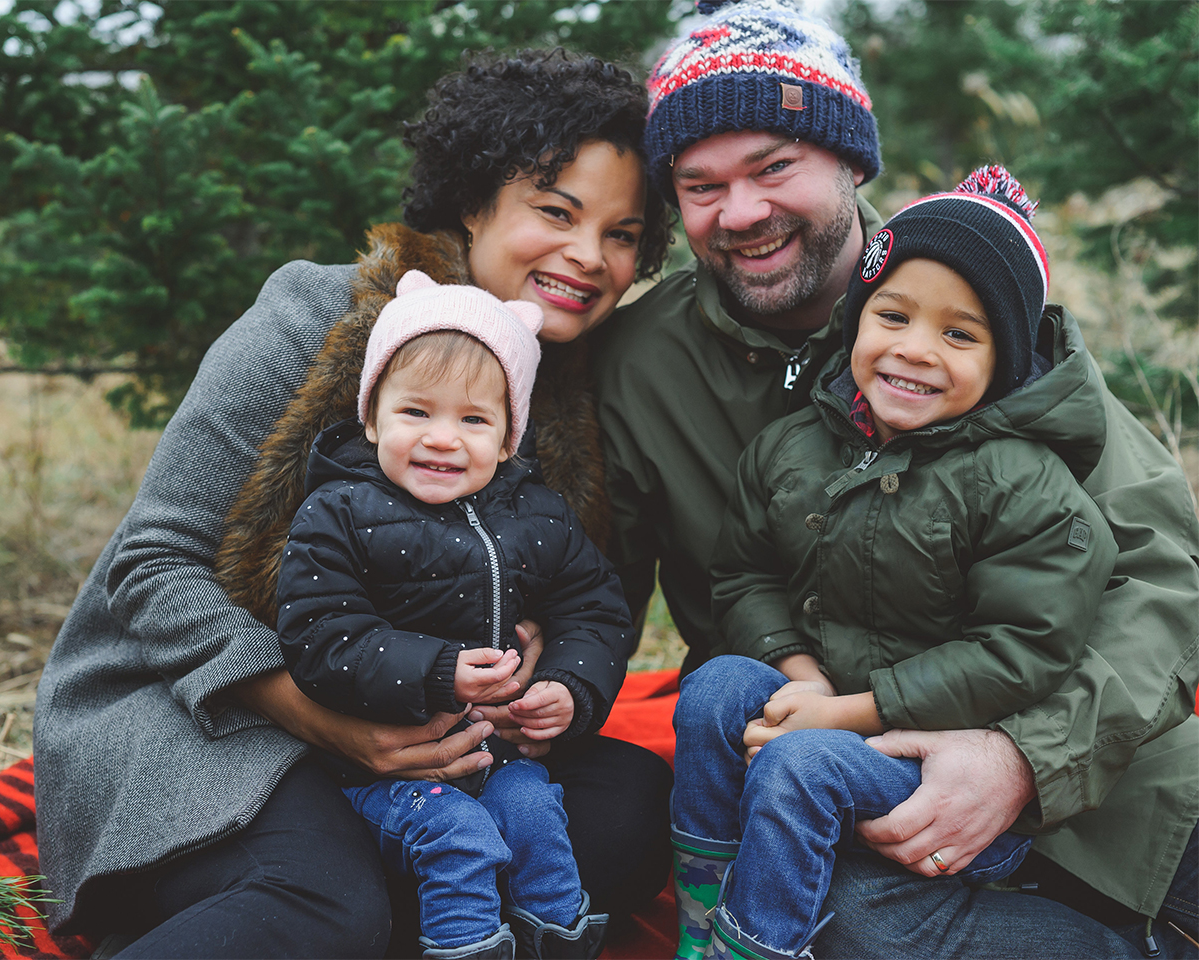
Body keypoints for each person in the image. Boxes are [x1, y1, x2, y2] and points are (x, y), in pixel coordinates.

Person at [33, 49, 674, 959]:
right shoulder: (316, 317)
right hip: (207, 708)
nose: (587, 256)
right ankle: (291, 904)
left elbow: (575, 596)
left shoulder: (565, 393)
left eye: (622, 234)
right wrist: (314, 712)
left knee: (624, 808)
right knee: (324, 902)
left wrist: (540, 661)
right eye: (556, 212)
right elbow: (151, 566)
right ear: (473, 199)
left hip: (425, 721)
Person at [590, 1, 1199, 957]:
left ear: (850, 161)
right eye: (699, 185)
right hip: (806, 768)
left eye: (773, 167)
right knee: (849, 918)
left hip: (1041, 751)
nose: (739, 213)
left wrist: (1021, 760)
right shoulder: (637, 365)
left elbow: (1158, 572)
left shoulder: (975, 297)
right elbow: (593, 591)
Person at [672, 168, 1120, 960]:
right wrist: (802, 676)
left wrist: (846, 714)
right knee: (715, 687)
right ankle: (705, 914)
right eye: (893, 315)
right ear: (855, 320)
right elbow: (746, 576)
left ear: (1004, 362)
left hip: (943, 770)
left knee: (805, 763)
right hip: (826, 706)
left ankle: (756, 946)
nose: (915, 350)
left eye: (960, 334)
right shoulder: (792, 449)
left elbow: (1023, 649)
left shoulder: (1020, 480)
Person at [276, 271, 632, 959]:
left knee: (535, 817)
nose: (444, 438)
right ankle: (464, 946)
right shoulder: (338, 514)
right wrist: (438, 671)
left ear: (507, 439)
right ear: (373, 417)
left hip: (498, 752)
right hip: (384, 773)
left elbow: (595, 606)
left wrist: (568, 685)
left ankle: (558, 940)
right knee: (460, 841)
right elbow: (320, 636)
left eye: (473, 419)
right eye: (417, 413)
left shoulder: (537, 515)